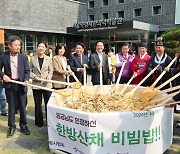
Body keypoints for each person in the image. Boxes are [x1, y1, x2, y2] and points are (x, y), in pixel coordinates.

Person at [0, 35, 30, 138]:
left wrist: (26, 79)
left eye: (19, 45)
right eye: (16, 45)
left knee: (22, 106)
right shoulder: (3, 56)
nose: (18, 47)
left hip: (21, 84)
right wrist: (3, 75)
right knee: (12, 106)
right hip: (10, 85)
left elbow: (27, 71)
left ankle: (23, 125)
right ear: (9, 45)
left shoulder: (23, 57)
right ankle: (12, 126)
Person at [30, 41, 53, 127]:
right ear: (37, 47)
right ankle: (39, 122)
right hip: (36, 84)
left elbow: (51, 71)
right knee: (38, 104)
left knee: (48, 104)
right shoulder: (33, 58)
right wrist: (33, 76)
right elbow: (29, 70)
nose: (41, 48)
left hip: (47, 84)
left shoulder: (49, 59)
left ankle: (49, 122)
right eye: (39, 46)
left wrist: (49, 77)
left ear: (45, 48)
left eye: (43, 47)